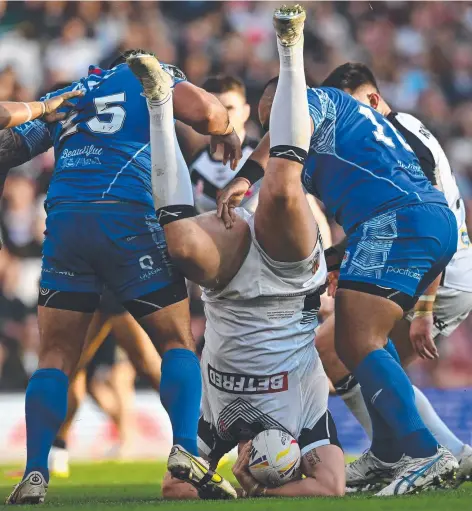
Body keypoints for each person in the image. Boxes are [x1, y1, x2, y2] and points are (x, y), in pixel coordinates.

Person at [218, 8, 460, 496]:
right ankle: (390, 452)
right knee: (357, 335)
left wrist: (244, 175)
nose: (273, 137)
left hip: (397, 220)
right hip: (420, 220)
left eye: (273, 123)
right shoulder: (336, 138)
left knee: (357, 341)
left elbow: (280, 141)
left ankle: (426, 453)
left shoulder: (318, 100)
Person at [128, 7, 345, 500]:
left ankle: (159, 102)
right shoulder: (309, 422)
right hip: (290, 284)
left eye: (253, 460)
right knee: (284, 191)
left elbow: (172, 489)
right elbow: (331, 488)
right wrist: (274, 489)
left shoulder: (215, 427)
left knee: (179, 243)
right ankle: (291, 47)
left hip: (226, 289)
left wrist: (238, 491)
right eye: (272, 458)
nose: (252, 455)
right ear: (292, 454)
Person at [6, 52, 240, 504]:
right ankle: (186, 451)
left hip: (66, 223)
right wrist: (227, 128)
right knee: (175, 343)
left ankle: (36, 470)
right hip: (128, 218)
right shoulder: (150, 76)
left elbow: (10, 145)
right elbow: (210, 113)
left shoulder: (68, 94)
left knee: (55, 356)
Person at [311, 62, 472, 489]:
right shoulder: (399, 135)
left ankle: (430, 455)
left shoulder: (395, 136)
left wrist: (425, 307)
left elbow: (423, 210)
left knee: (342, 347)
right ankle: (398, 453)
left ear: (376, 100)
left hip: (438, 270)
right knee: (361, 351)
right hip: (432, 260)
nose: (351, 121)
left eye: (356, 108)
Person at [176, 74, 260, 214]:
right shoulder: (193, 167)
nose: (223, 116)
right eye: (216, 109)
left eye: (229, 108)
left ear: (246, 112)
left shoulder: (263, 156)